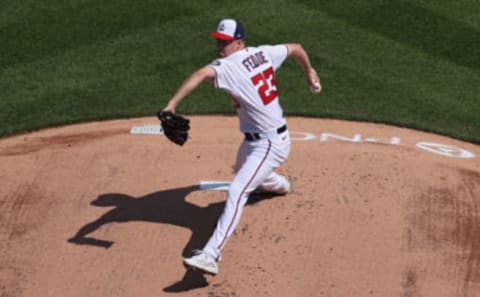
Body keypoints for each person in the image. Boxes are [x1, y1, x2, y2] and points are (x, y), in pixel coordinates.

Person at [163, 18, 321, 275]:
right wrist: (309, 71)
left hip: (269, 144)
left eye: (224, 43)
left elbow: (200, 74)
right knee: (241, 167)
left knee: (237, 189)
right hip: (257, 142)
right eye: (217, 41)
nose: (219, 47)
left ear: (239, 42)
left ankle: (211, 255)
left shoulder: (228, 66)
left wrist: (171, 105)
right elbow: (296, 48)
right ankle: (279, 185)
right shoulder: (263, 53)